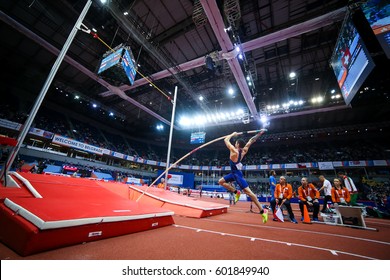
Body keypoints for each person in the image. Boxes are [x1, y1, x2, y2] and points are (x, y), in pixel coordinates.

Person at [218, 130, 268, 223]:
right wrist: (259, 133)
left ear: (237, 144)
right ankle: (236, 192)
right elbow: (251, 140)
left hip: (237, 175)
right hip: (233, 173)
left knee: (249, 193)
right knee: (221, 182)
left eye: (236, 142)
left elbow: (226, 140)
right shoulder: (244, 150)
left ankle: (262, 210)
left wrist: (232, 134)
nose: (235, 143)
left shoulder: (233, 150)